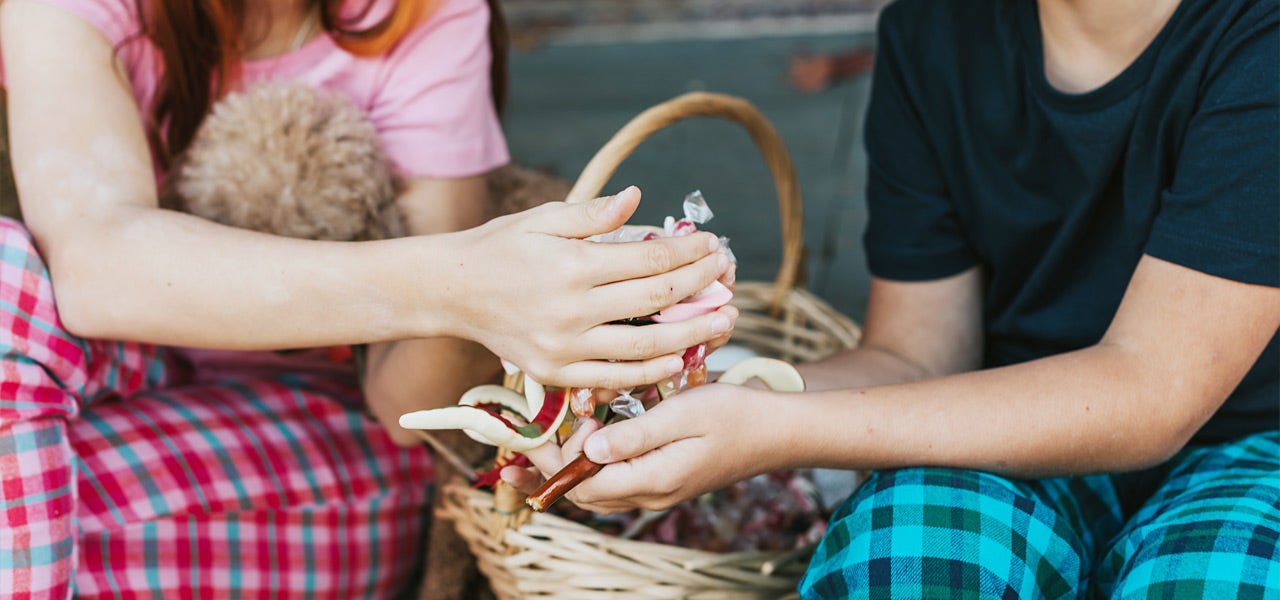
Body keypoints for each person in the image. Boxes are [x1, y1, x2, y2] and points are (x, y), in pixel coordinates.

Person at [505, 0, 1280, 597]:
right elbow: (916, 353)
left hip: (1249, 446)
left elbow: (1151, 390)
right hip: (1003, 418)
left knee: (1216, 578)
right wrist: (684, 400)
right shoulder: (933, 32)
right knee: (906, 557)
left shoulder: (1259, 42)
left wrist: (778, 428)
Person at [0, 0, 736, 596]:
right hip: (102, 373)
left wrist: (484, 299)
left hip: (333, 429)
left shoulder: (423, 15)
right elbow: (93, 265)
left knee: (48, 500)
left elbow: (403, 405)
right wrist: (455, 280)